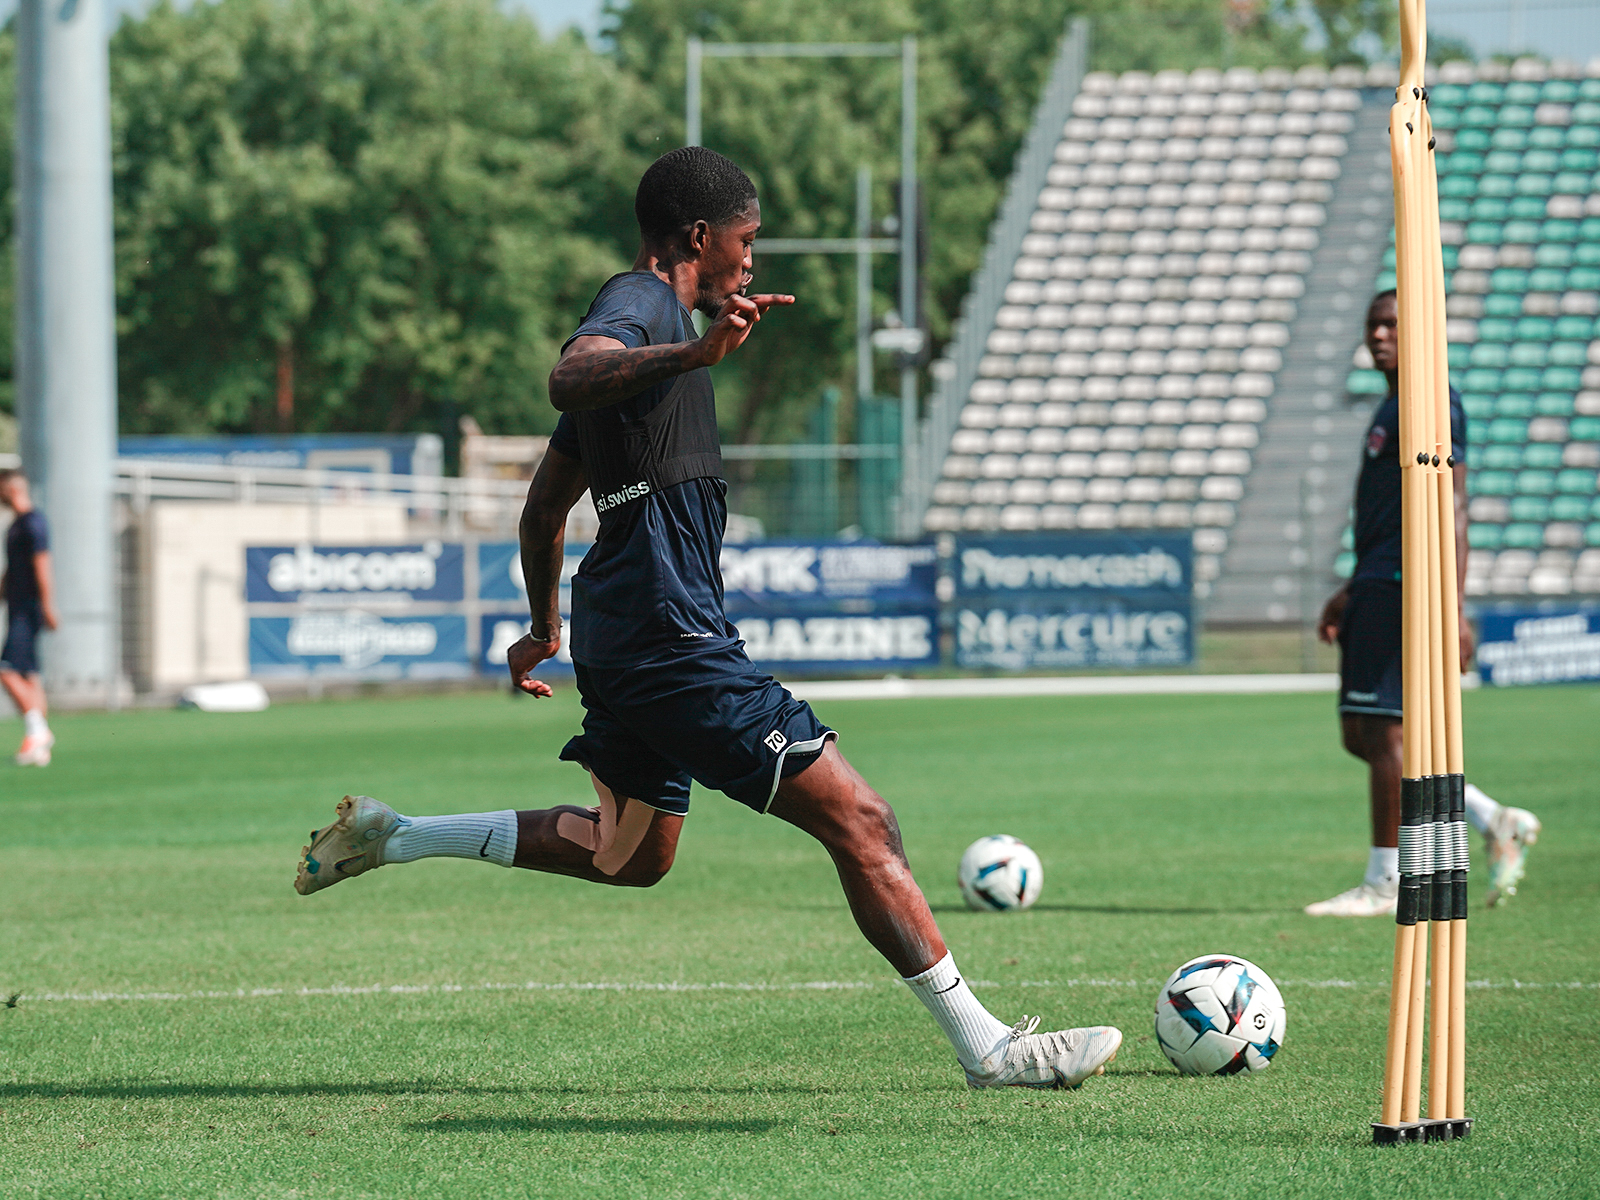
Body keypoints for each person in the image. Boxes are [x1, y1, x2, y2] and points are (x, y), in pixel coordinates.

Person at [292, 147, 1122, 1090]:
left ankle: (400, 835)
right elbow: (570, 376)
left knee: (629, 857)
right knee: (863, 820)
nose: (751, 259)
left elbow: (543, 506)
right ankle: (992, 1048)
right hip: (666, 635)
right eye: (747, 239)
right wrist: (693, 351)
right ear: (700, 238)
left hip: (622, 631)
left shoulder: (653, 349)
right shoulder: (643, 308)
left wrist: (544, 625)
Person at [1308, 290, 1540, 915]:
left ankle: (1386, 880)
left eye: (1392, 323)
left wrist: (1453, 605)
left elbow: (1452, 506)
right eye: (1372, 324)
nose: (1379, 334)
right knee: (1360, 734)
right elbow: (1388, 514)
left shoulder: (1431, 400)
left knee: (1386, 731)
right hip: (1375, 580)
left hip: (1406, 583)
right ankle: (1494, 818)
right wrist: (1350, 587)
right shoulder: (1392, 403)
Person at [0, 468, 58, 767]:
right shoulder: (16, 525)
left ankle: (38, 731)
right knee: (29, 674)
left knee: (6, 669)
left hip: (29, 607)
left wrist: (48, 605)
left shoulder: (33, 523)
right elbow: (14, 568)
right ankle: (39, 747)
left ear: (10, 488)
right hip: (17, 606)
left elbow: (42, 565)